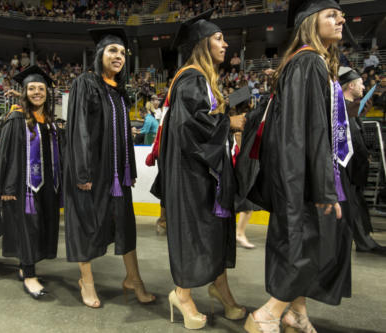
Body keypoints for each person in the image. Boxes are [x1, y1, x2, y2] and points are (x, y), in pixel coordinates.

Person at [244, 1, 353, 332]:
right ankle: (267, 314)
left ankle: (296, 313)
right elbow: (306, 131)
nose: (341, 20)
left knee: (308, 242)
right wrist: (322, 186)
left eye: (341, 15)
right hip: (302, 176)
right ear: (310, 22)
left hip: (302, 173)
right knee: (306, 243)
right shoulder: (308, 63)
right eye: (331, 15)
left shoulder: (310, 62)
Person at [159, 10, 247, 330]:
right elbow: (190, 127)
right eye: (219, 38)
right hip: (192, 176)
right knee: (196, 234)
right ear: (202, 43)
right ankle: (182, 294)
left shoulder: (204, 79)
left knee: (213, 234)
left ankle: (219, 287)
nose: (226, 44)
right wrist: (229, 122)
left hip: (206, 173)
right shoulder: (192, 78)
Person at [63, 27, 155, 308]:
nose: (118, 56)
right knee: (86, 226)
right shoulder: (86, 83)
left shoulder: (119, 92)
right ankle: (86, 282)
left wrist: (130, 172)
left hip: (117, 175)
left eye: (123, 53)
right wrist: (82, 172)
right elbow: (78, 128)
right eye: (112, 50)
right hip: (91, 172)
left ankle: (133, 279)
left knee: (125, 225)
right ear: (100, 53)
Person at [0, 66, 62, 299]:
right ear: (24, 92)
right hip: (23, 188)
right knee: (28, 228)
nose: (37, 92)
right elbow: (7, 156)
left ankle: (25, 266)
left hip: (45, 187)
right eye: (32, 88)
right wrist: (9, 187)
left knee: (38, 227)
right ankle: (30, 276)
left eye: (41, 89)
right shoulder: (15, 118)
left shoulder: (50, 121)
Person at [338, 66, 386, 255]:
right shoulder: (340, 108)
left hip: (354, 169)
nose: (364, 87)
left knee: (356, 205)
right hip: (345, 169)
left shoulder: (350, 108)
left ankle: (364, 240)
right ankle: (360, 242)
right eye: (360, 83)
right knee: (349, 206)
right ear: (350, 85)